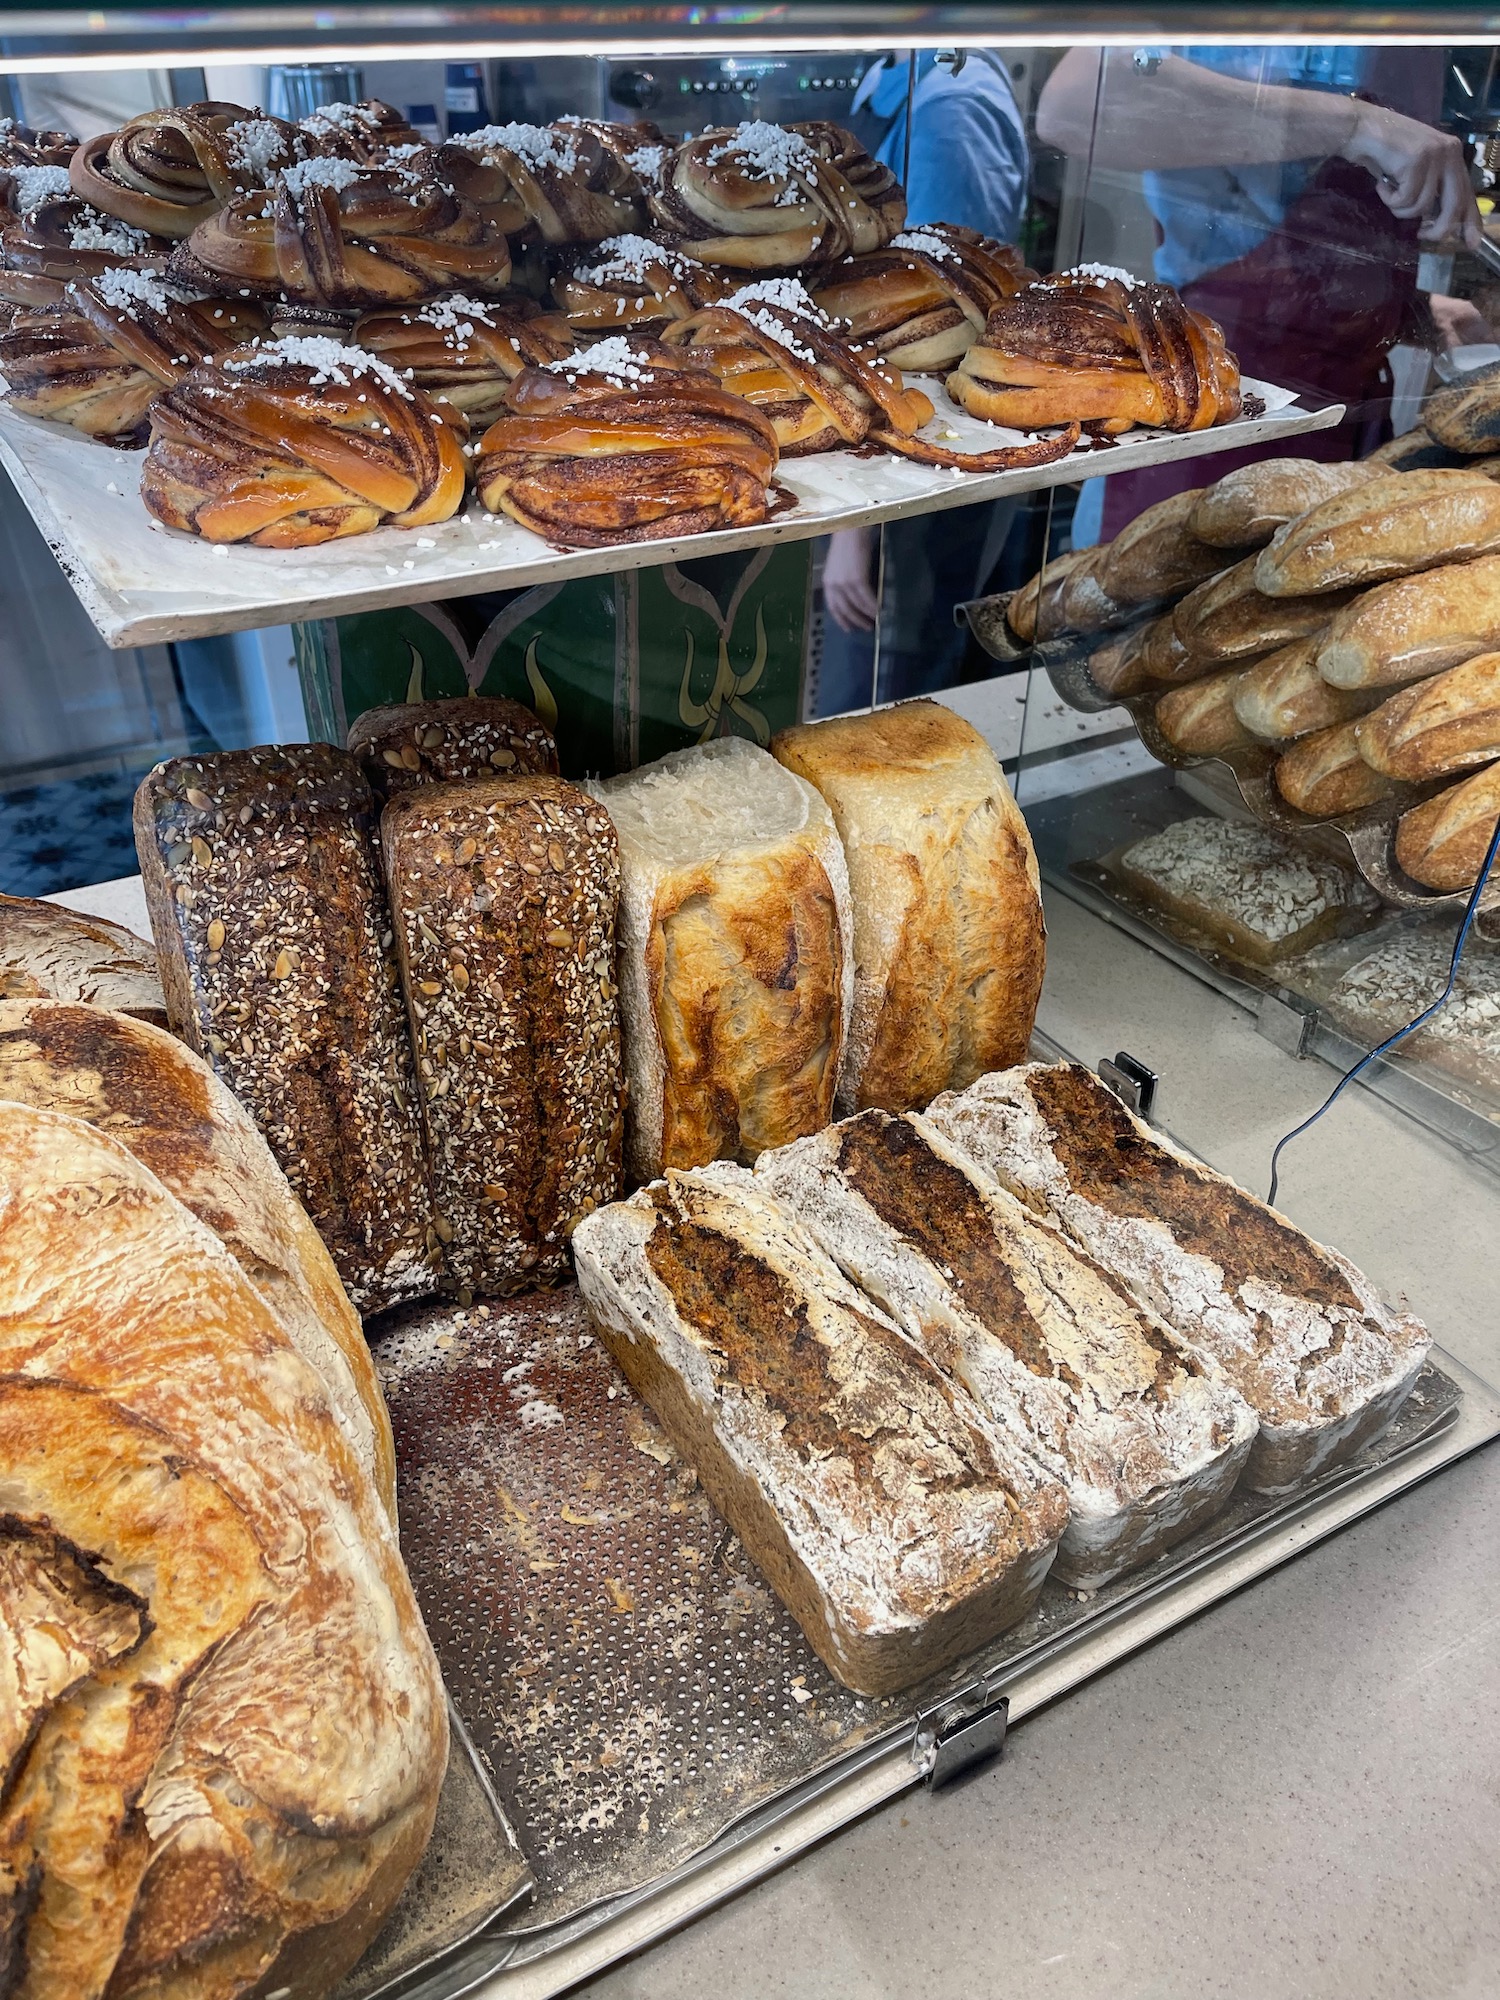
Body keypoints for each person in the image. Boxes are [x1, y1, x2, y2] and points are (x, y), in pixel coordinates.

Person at [1034, 46, 1484, 543]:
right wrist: (1357, 127)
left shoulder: (1418, 28)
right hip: (1208, 412)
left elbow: (1319, 256)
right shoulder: (1258, 30)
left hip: (1337, 421)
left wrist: (1403, 312)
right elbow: (1074, 107)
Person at [816, 51, 1030, 714]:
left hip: (914, 471)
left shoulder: (950, 110)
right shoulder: (896, 74)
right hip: (883, 449)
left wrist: (855, 530)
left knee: (883, 691)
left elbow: (929, 320)